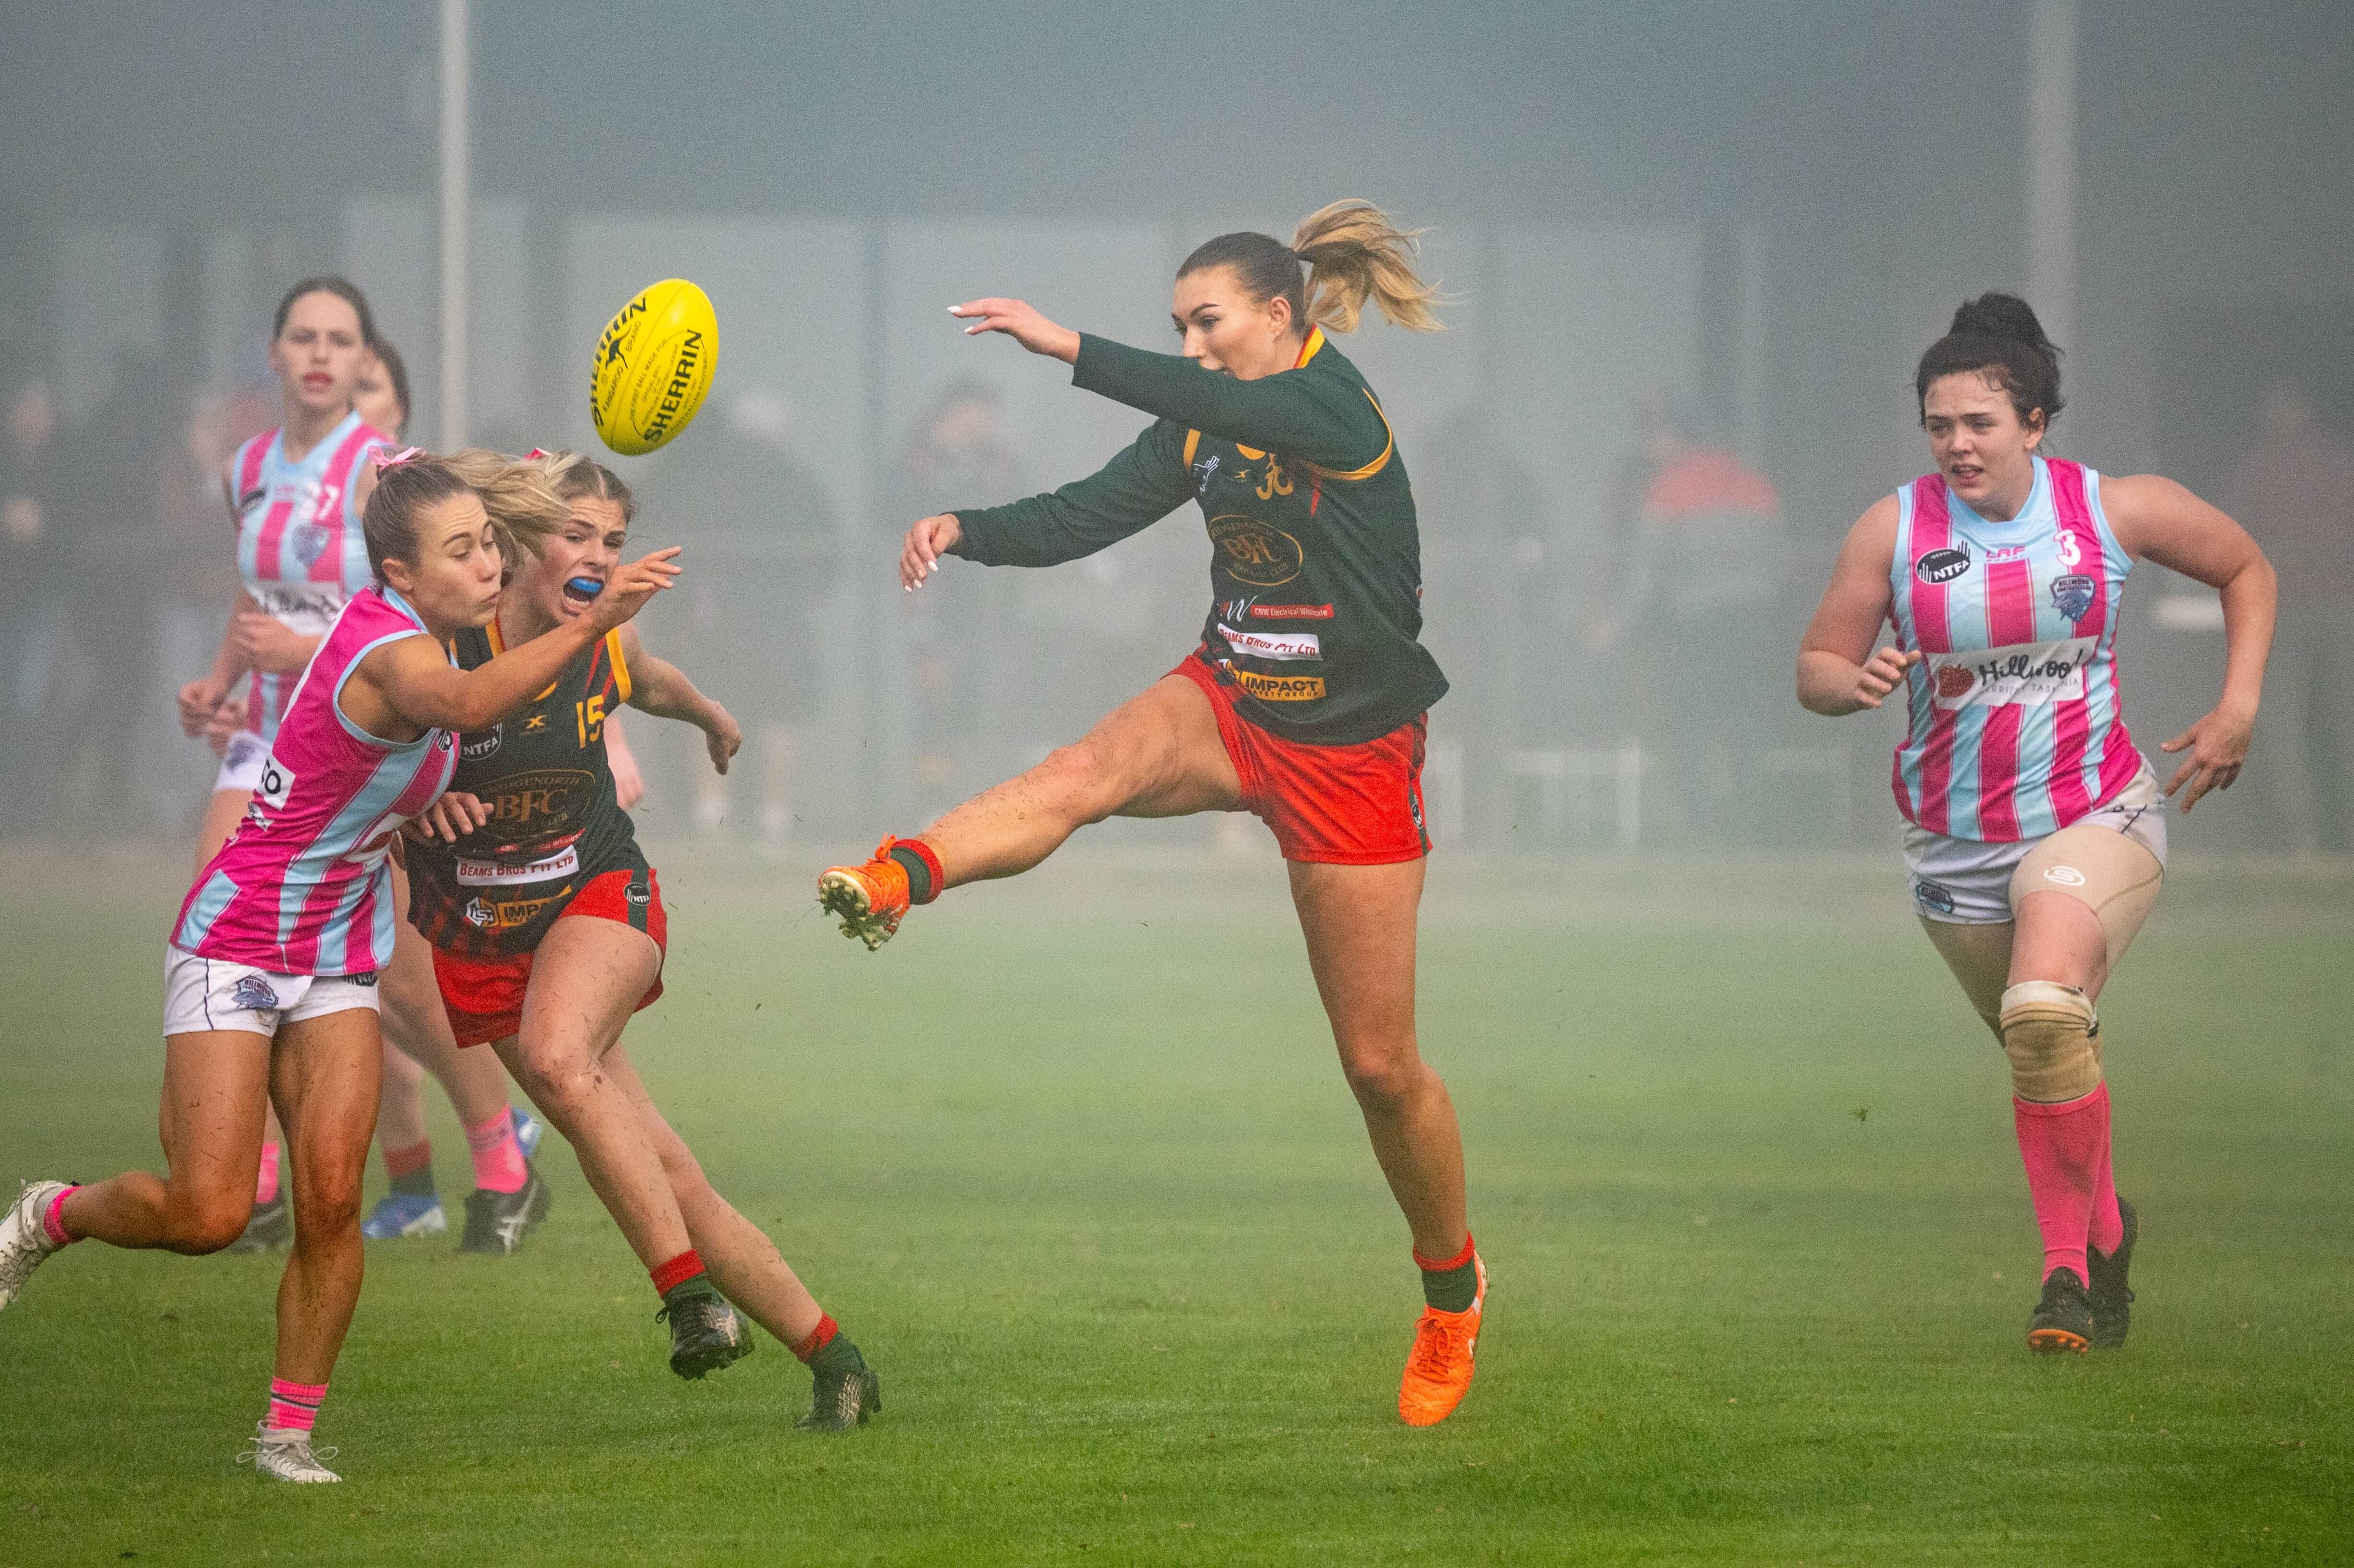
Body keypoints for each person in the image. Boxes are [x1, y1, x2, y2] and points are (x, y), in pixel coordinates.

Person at [818, 202, 1486, 1427]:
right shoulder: (1203, 427)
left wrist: (1066, 344)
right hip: (1232, 691)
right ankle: (899, 875)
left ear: (1278, 317)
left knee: (1380, 1068)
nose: (1190, 348)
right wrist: (966, 529)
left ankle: (1451, 1293)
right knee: (1088, 768)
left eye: (1207, 322)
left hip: (1351, 746)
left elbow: (1231, 407)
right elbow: (1084, 514)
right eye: (1175, 326)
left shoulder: (1336, 406)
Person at [0, 454, 679, 1483]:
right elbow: (455, 703)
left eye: (491, 542)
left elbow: (406, 760)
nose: (489, 563)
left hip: (338, 953)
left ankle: (286, 1435)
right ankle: (52, 1211)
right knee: (209, 1211)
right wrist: (592, 620)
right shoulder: (390, 645)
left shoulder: (437, 639)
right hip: (238, 936)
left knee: (327, 1195)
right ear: (400, 575)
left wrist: (428, 801)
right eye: (463, 550)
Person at [1796, 294, 2276, 1354]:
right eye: (1938, 424)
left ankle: (2067, 1279)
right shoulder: (1895, 527)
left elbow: (2247, 565)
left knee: (2045, 1011)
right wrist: (1855, 678)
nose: (1957, 444)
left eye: (1980, 422)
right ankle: (2108, 1227)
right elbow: (1816, 668)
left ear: (2035, 423)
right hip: (1953, 848)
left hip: (2096, 814)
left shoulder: (2113, 509)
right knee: (2043, 1052)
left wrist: (2238, 706)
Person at [402, 451, 879, 1428]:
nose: (598, 555)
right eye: (576, 533)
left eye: (613, 539)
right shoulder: (437, 649)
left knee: (557, 1055)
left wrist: (707, 712)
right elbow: (366, 758)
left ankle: (689, 1300)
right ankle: (839, 1359)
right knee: (666, 1169)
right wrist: (417, 804)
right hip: (483, 931)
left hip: (596, 892)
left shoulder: (602, 636)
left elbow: (645, 676)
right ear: (518, 540)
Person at [175, 286, 545, 1254]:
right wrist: (217, 685)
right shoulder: (248, 466)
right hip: (268, 737)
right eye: (304, 335)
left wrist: (310, 655)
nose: (321, 355)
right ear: (275, 349)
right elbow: (256, 595)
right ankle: (252, 1190)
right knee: (229, 928)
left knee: (408, 988)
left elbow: (387, 630)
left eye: (342, 340)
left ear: (363, 356)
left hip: (366, 740)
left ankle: (502, 1160)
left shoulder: (379, 474)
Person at [344, 341, 556, 1244]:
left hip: (389, 765)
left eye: (366, 379)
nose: (347, 388)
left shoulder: (417, 501)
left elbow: (462, 690)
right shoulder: (266, 475)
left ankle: (497, 1160)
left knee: (405, 989)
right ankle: (414, 1183)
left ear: (398, 398)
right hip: (344, 764)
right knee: (375, 1002)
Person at [2222, 381, 2354, 853]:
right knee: (2344, 720)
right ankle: (2337, 836)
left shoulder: (2257, 470)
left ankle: (2303, 840)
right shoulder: (2342, 465)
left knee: (2284, 722)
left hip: (2282, 611)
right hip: (2342, 607)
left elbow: (2232, 542)